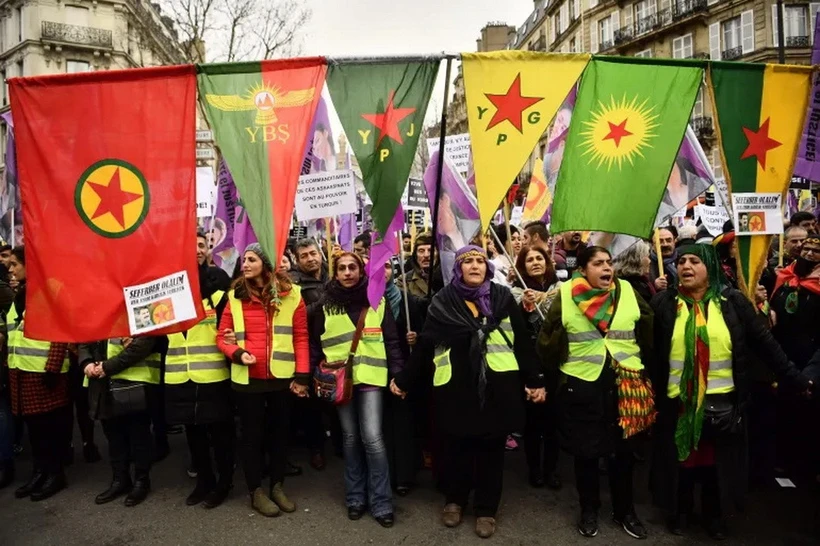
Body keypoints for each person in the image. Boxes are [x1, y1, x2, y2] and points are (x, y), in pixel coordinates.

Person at [649, 244, 812, 540]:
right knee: (682, 461)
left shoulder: (732, 301)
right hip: (679, 402)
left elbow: (766, 345)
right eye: (682, 261)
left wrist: (798, 379)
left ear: (710, 267)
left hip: (722, 402)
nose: (685, 266)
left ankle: (714, 516)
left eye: (694, 261)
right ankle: (680, 511)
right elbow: (650, 350)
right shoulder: (663, 303)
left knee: (716, 464)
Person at [392, 246, 546, 539]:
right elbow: (425, 345)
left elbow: (522, 342)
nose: (475, 266)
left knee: (491, 452)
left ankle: (486, 508)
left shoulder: (502, 298)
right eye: (468, 262)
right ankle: (455, 500)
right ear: (458, 268)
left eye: (480, 261)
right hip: (455, 388)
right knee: (456, 448)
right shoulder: (442, 301)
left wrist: (535, 379)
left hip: (497, 387)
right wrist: (405, 379)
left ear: (487, 267)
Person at [538, 246, 655, 539]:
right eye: (598, 263)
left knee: (624, 453)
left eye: (609, 262)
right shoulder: (566, 294)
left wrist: (639, 366)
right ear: (582, 270)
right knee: (586, 453)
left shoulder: (628, 291)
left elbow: (647, 329)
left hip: (625, 383)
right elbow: (548, 340)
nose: (606, 268)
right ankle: (588, 509)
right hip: (582, 384)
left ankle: (625, 511)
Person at [311, 251, 404, 527]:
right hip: (341, 382)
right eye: (342, 268)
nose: (348, 272)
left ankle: (381, 502)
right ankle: (355, 498)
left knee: (373, 439)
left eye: (352, 267)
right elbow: (315, 345)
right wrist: (307, 377)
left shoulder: (377, 300)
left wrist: (399, 376)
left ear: (361, 271)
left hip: (371, 378)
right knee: (351, 439)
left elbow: (392, 341)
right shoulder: (324, 305)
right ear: (335, 273)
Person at [216, 243, 310, 517]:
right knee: (252, 437)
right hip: (247, 380)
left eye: (251, 259)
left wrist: (302, 375)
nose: (244, 264)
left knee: (280, 434)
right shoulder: (234, 297)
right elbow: (222, 336)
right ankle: (256, 491)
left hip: (282, 377)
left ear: (266, 265)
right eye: (244, 260)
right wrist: (237, 353)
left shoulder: (293, 295)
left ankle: (277, 486)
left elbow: (300, 337)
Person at [164, 232, 234, 509]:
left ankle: (224, 483)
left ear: (208, 251)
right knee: (193, 435)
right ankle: (204, 481)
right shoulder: (166, 290)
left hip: (213, 375)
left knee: (220, 434)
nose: (197, 249)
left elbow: (234, 326)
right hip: (180, 374)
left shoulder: (219, 289)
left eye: (202, 245)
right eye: (190, 244)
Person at [5, 247, 72, 501]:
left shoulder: (48, 292)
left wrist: (53, 366)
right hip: (21, 372)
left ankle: (55, 474)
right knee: (34, 430)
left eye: (15, 264)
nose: (10, 269)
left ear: (29, 265)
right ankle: (40, 472)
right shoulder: (20, 295)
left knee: (48, 429)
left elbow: (60, 331)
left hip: (44, 372)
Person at [79, 332, 166, 507]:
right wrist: (86, 362)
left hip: (134, 379)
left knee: (138, 436)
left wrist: (107, 366)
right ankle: (120, 480)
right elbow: (84, 338)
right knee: (114, 437)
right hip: (102, 382)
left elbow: (144, 344)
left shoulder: (136, 312)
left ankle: (141, 481)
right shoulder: (97, 314)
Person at [510, 245, 562, 490]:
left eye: (539, 258)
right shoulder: (516, 292)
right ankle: (534, 469)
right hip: (530, 361)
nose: (535, 262)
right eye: (529, 259)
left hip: (556, 361)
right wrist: (525, 307)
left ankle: (551, 470)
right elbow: (515, 328)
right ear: (523, 266)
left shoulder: (561, 289)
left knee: (553, 420)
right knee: (533, 421)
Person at [769, 234, 820, 482]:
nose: (808, 254)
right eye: (805, 249)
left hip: (810, 360)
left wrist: (811, 373)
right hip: (782, 357)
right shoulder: (784, 277)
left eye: (815, 251)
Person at [290, 239, 328, 305]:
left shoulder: (333, 273)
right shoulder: (292, 283)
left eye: (313, 254)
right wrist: (321, 303)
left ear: (320, 255)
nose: (310, 259)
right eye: (304, 256)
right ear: (297, 261)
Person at [397, 234, 434, 298]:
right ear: (415, 255)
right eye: (421, 251)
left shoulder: (446, 278)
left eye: (430, 250)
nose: (426, 255)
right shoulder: (404, 280)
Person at [651, 227, 678, 291]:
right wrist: (653, 286)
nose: (665, 244)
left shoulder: (683, 259)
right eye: (660, 241)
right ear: (653, 244)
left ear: (674, 242)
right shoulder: (646, 264)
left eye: (668, 240)